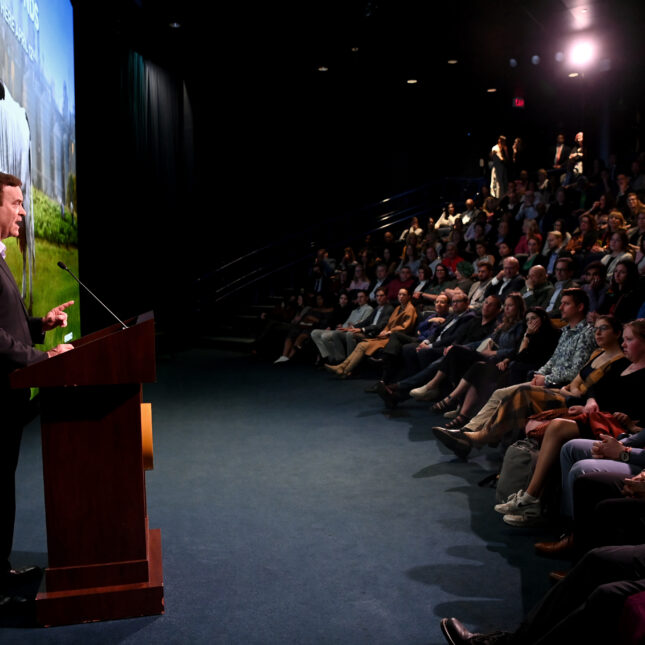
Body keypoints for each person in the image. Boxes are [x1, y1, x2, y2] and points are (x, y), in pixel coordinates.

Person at [0, 173, 74, 608]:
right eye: (15, 202)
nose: (24, 211)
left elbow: (6, 327)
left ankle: (1, 569)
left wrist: (37, 326)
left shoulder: (1, 255)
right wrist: (42, 360)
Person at [496, 319, 645, 527]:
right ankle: (531, 497)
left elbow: (639, 423)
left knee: (556, 425)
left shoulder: (635, 369)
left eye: (629, 339)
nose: (624, 344)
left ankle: (531, 497)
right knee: (538, 418)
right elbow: (596, 389)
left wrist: (631, 424)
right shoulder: (625, 366)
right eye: (624, 339)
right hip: (598, 415)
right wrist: (590, 401)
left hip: (615, 428)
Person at [432, 289, 597, 458]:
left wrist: (545, 378)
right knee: (500, 392)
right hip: (547, 380)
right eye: (561, 303)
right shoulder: (566, 332)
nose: (560, 307)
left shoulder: (586, 334)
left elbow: (575, 371)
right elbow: (553, 361)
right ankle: (467, 432)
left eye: (566, 303)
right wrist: (539, 375)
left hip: (562, 387)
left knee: (514, 388)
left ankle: (470, 438)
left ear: (580, 307)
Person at [324, 288, 417, 378]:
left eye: (403, 295)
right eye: (399, 294)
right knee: (361, 345)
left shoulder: (410, 309)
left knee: (363, 345)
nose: (400, 297)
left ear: (409, 296)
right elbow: (388, 323)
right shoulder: (398, 308)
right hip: (385, 335)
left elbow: (405, 327)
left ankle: (345, 370)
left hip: (393, 338)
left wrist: (388, 331)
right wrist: (385, 330)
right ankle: (342, 368)